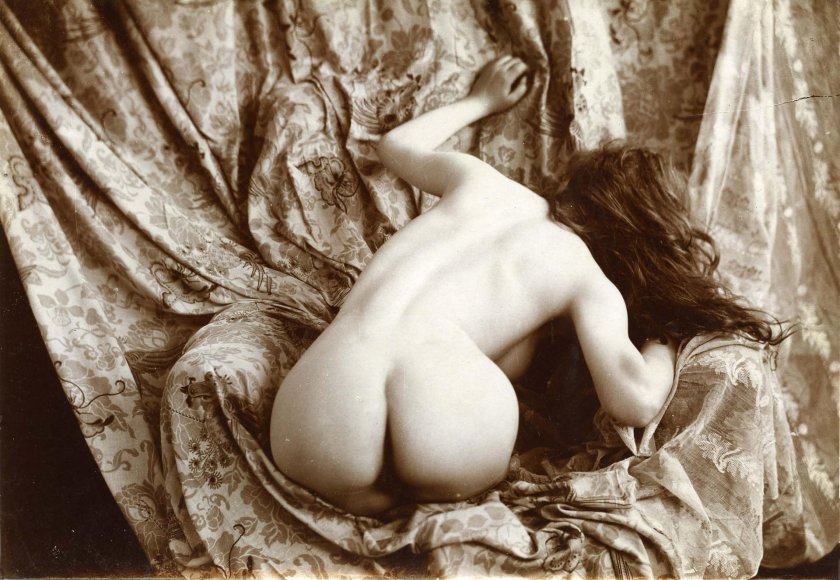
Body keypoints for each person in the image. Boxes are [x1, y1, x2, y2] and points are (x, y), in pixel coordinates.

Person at [269, 56, 784, 516]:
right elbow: (635, 401)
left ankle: (365, 495)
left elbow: (396, 145)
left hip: (319, 407)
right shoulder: (584, 274)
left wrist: (480, 101)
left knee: (359, 491)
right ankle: (407, 499)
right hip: (444, 427)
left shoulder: (480, 181)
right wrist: (661, 336)